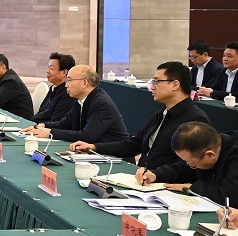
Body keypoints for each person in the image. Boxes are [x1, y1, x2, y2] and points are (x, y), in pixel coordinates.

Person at [70, 61, 209, 171]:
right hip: (144, 176)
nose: (152, 87)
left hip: (161, 183)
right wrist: (94, 147)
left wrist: (155, 175)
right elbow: (134, 144)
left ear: (175, 85)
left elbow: (188, 165)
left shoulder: (195, 119)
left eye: (156, 82)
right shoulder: (161, 114)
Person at [22, 65, 130, 145]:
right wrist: (43, 126)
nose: (66, 85)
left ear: (84, 83)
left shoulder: (101, 104)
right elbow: (64, 123)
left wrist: (50, 132)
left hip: (116, 158)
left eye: (69, 80)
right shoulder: (80, 100)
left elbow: (87, 136)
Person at [139, 122, 238, 205]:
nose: (189, 165)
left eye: (193, 164)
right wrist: (156, 174)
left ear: (210, 155)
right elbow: (183, 169)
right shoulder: (206, 146)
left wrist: (192, 188)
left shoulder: (234, 156)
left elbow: (229, 197)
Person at [32, 53, 77, 124]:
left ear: (64, 72)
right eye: (48, 67)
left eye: (51, 68)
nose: (47, 71)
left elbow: (56, 120)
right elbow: (42, 112)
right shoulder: (53, 88)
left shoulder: (68, 93)